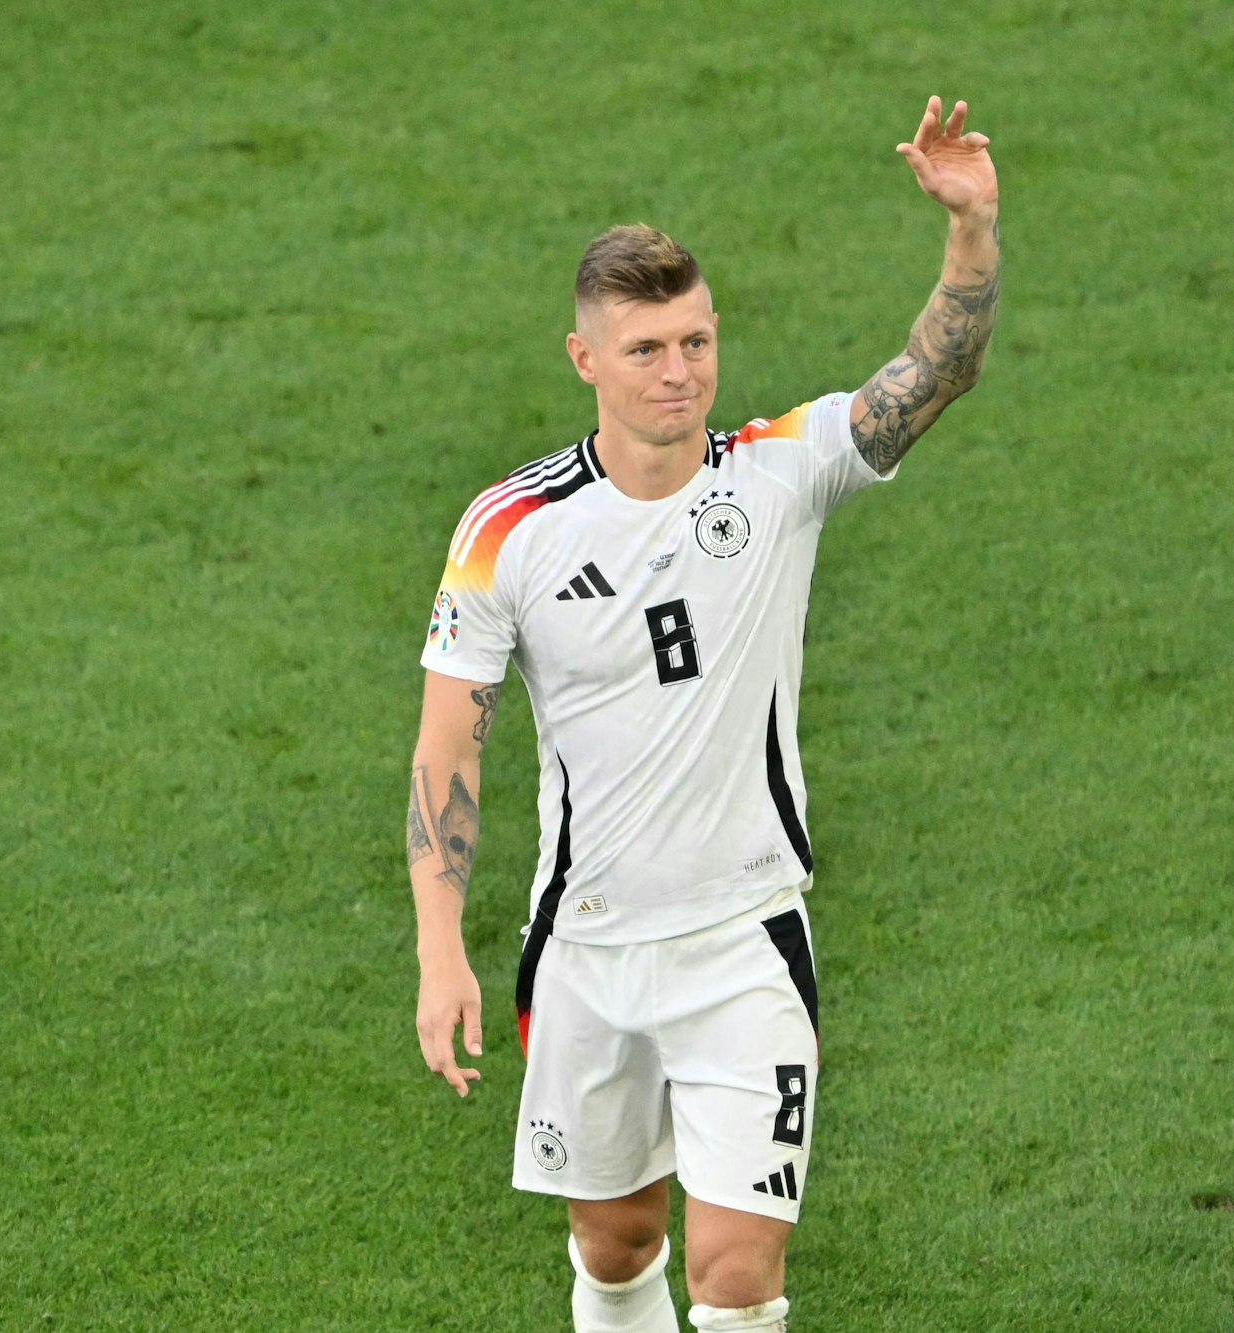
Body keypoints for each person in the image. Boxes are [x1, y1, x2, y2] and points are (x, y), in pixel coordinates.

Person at [406, 96, 1000, 1332]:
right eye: (646, 349)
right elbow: (447, 742)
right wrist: (437, 946)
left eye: (695, 340)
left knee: (736, 1278)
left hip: (743, 943)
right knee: (616, 1246)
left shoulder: (777, 471)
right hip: (587, 948)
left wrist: (970, 232)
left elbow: (932, 372)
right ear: (585, 360)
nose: (678, 370)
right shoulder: (506, 531)